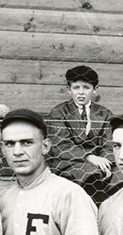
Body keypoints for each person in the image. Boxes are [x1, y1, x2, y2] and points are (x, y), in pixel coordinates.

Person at [47, 65, 119, 203]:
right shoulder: (59, 112)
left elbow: (109, 143)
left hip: (101, 162)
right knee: (91, 174)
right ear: (69, 90)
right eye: (76, 88)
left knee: (119, 176)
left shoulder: (104, 113)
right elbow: (61, 145)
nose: (81, 92)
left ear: (95, 90)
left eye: (86, 87)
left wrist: (106, 162)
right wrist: (90, 157)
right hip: (69, 162)